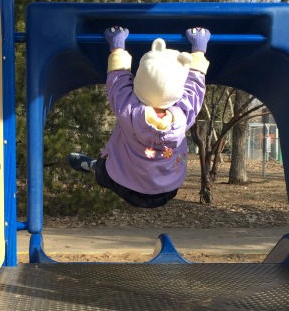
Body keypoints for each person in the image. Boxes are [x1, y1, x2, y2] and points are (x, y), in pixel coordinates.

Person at [68, 26, 210, 208]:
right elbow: (194, 90)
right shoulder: (183, 116)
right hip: (167, 188)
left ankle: (95, 166)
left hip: (123, 182)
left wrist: (117, 45)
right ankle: (98, 167)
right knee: (108, 172)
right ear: (178, 90)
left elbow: (117, 81)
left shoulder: (130, 110)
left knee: (104, 173)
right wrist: (199, 50)